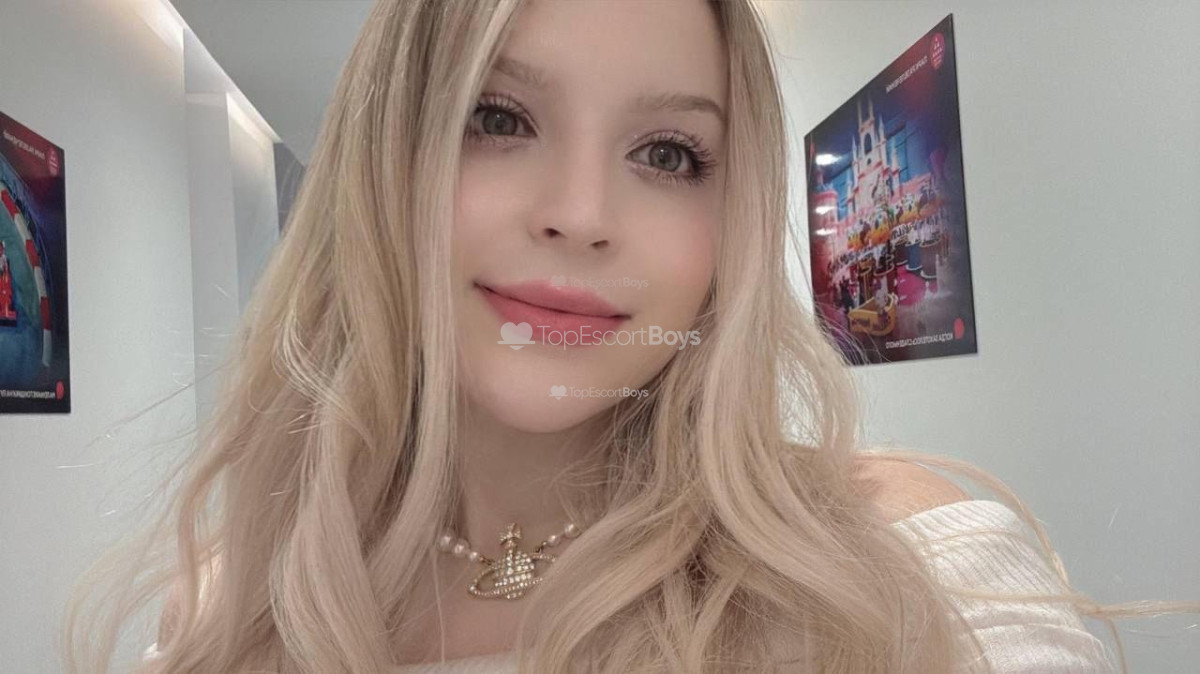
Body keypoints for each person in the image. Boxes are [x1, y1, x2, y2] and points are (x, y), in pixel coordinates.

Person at [61, 2, 1194, 673]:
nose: (581, 214)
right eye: (496, 117)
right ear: (379, 167)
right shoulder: (234, 609)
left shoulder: (917, 574)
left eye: (668, 154)